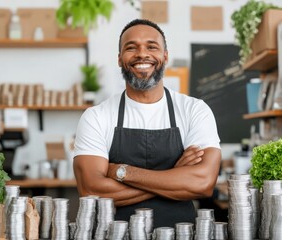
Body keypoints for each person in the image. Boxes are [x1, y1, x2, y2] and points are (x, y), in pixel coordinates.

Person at [73, 18, 221, 227]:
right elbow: (91, 190)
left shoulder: (194, 110)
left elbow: (202, 183)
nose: (142, 54)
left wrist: (121, 172)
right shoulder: (97, 116)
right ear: (119, 58)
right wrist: (174, 177)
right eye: (131, 48)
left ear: (165, 56)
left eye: (152, 46)